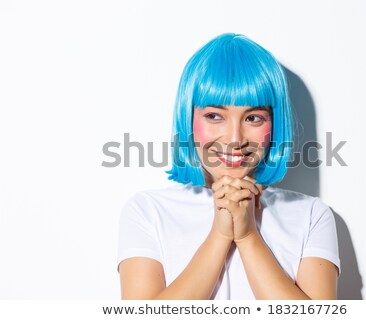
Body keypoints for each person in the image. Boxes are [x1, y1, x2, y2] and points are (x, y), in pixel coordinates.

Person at [117, 33, 340, 300]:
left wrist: (248, 237)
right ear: (188, 118)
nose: (235, 139)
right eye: (214, 116)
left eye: (254, 118)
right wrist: (219, 237)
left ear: (275, 124)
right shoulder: (147, 211)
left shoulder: (311, 215)